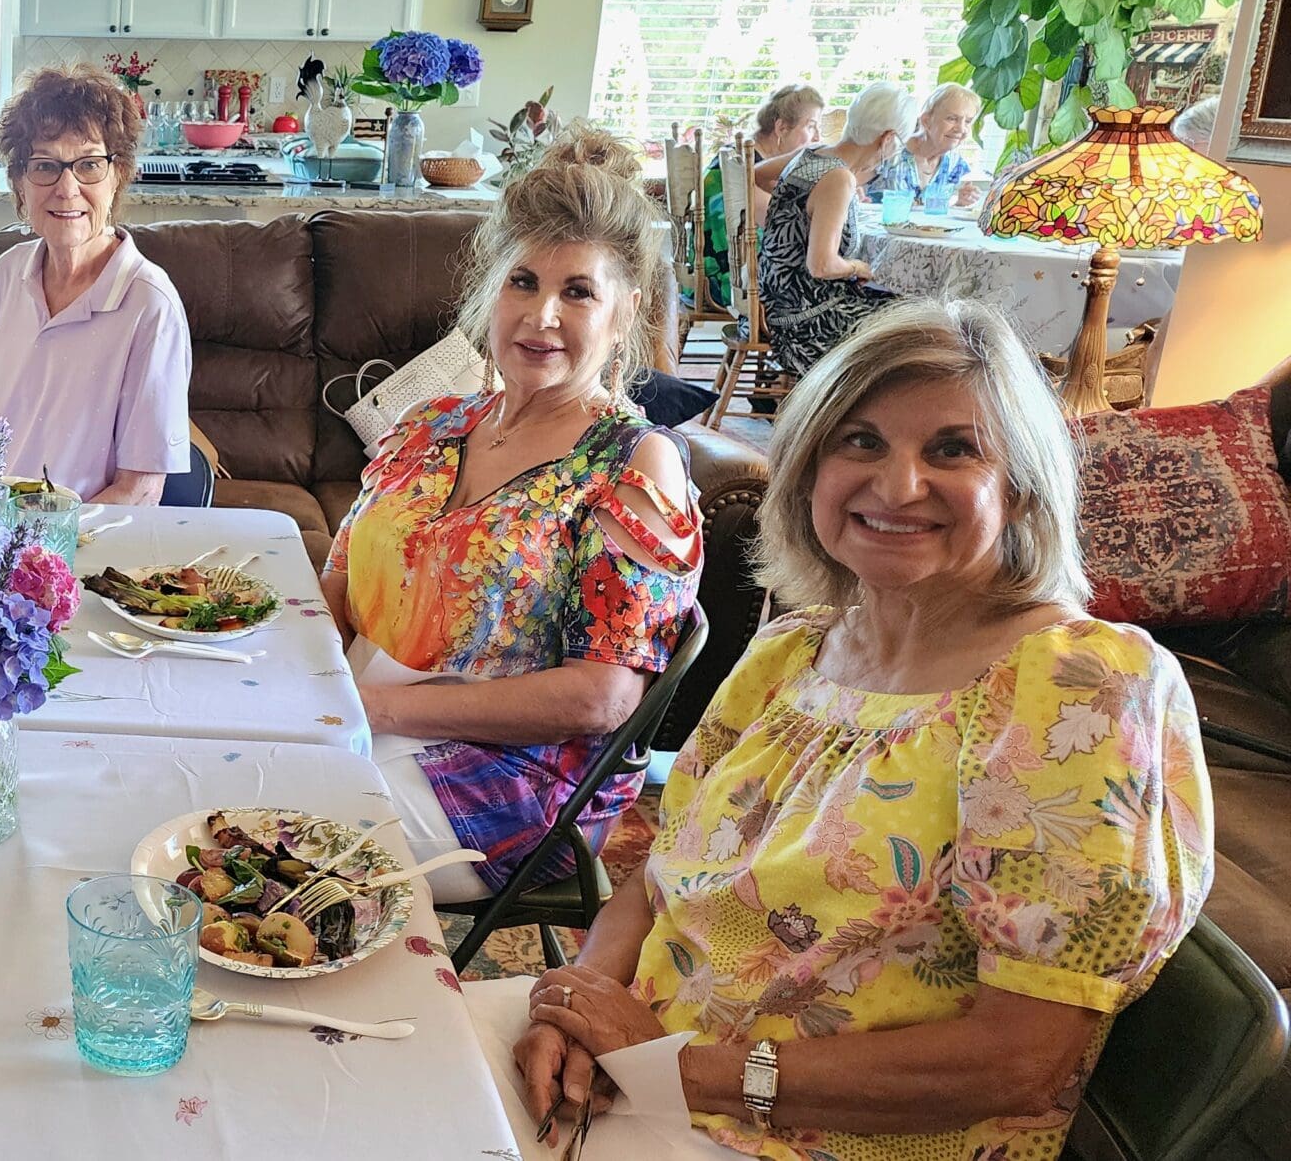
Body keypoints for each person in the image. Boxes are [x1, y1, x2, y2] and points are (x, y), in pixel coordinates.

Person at [509, 300, 1212, 1160]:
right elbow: (662, 873)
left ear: (1022, 485)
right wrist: (579, 1006)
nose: (898, 485)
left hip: (815, 1138)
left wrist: (678, 1072)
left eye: (952, 449)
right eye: (861, 441)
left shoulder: (1079, 690)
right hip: (648, 1075)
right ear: (810, 472)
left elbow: (1021, 1061)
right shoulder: (792, 650)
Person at [323, 128, 704, 902]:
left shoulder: (630, 466)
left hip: (512, 779)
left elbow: (601, 698)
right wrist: (293, 691)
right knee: (194, 776)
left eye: (579, 292)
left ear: (624, 313)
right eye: (523, 282)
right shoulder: (429, 425)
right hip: (356, 719)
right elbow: (337, 580)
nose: (542, 316)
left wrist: (371, 709)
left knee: (262, 836)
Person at [0, 62, 191, 505]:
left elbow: (140, 489)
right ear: (20, 183)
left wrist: (43, 545)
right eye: (45, 165)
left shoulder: (150, 306)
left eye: (89, 164)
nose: (67, 188)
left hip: (88, 542)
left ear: (118, 175)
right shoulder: (5, 276)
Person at [755, 82, 914, 376]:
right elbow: (822, 266)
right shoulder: (838, 179)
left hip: (778, 305)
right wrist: (858, 267)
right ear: (888, 138)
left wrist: (797, 213)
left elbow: (757, 175)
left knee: (907, 308)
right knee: (920, 327)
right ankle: (861, 400)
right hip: (807, 324)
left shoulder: (812, 153)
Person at [696, 84, 825, 310]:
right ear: (781, 127)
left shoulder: (740, 157)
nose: (818, 137)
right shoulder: (745, 168)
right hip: (729, 284)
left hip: (718, 275)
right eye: (811, 126)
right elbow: (787, 226)